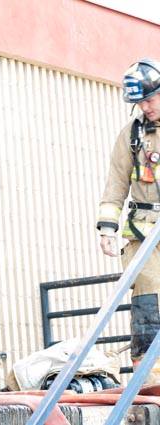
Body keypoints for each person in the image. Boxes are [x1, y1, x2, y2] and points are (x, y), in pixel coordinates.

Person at [97, 58, 160, 382]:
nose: (144, 107)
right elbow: (116, 183)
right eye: (140, 101)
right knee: (148, 295)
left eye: (149, 99)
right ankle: (150, 377)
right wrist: (107, 228)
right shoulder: (132, 135)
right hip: (144, 234)